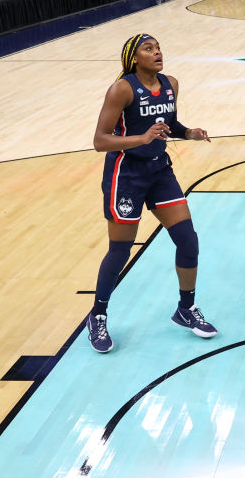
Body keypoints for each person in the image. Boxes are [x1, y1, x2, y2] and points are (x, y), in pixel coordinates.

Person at [87, 33, 216, 353]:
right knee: (120, 249)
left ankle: (185, 309)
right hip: (126, 174)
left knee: (188, 240)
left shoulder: (170, 83)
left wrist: (189, 133)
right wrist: (140, 139)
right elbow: (100, 140)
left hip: (159, 170)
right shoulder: (122, 89)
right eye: (149, 49)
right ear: (134, 58)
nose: (157, 52)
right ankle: (98, 314)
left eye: (158, 47)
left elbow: (168, 123)